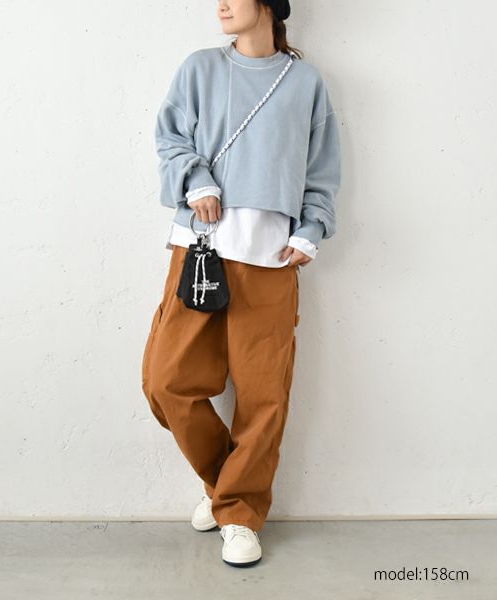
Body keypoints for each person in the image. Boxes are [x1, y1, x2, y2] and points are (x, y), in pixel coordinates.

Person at [142, 0, 341, 567]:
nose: (221, 4)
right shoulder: (201, 68)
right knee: (165, 381)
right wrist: (197, 180)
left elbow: (322, 168)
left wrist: (312, 229)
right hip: (200, 250)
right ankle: (229, 487)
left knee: (263, 395)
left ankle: (240, 513)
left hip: (272, 258)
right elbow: (171, 138)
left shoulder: (305, 82)